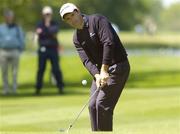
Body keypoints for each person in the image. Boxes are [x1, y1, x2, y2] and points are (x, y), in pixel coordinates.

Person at [59, 3, 130, 131]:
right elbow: (86, 60)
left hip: (118, 66)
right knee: (92, 105)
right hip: (100, 73)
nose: (72, 20)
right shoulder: (77, 38)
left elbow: (108, 42)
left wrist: (104, 70)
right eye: (68, 19)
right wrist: (97, 75)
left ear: (78, 11)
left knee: (102, 104)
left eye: (72, 15)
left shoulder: (97, 20)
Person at [35, 6, 64, 95]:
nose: (47, 16)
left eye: (49, 14)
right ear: (43, 15)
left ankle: (60, 87)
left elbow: (53, 33)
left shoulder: (55, 23)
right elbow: (39, 33)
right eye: (46, 14)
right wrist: (47, 31)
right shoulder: (39, 24)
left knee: (56, 69)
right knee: (41, 69)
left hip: (53, 49)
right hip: (43, 49)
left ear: (51, 14)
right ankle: (38, 89)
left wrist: (44, 31)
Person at [0, 9, 25, 95]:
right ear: (5, 18)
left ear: (12, 17)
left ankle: (14, 89)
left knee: (14, 72)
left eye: (10, 16)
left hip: (15, 51)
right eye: (7, 16)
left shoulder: (17, 28)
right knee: (4, 71)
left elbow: (21, 39)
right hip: (3, 51)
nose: (9, 18)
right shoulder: (1, 27)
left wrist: (21, 49)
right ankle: (6, 89)